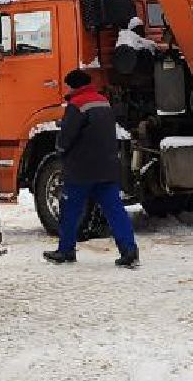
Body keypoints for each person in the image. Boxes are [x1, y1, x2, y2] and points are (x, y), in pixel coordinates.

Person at [43, 69, 140, 268]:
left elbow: (67, 137)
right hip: (107, 167)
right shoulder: (103, 101)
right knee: (115, 210)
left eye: (68, 85)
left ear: (74, 85)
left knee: (70, 210)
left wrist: (60, 149)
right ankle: (129, 250)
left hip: (81, 170)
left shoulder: (77, 105)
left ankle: (66, 250)